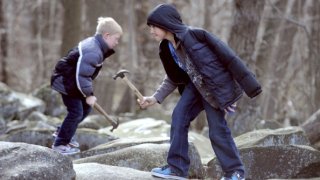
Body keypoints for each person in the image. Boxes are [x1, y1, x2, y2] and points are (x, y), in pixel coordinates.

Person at [138, 4, 262, 180]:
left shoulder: (195, 35)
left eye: (154, 26)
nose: (151, 31)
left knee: (217, 130)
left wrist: (231, 95)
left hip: (214, 89)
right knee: (179, 116)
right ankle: (177, 169)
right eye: (150, 27)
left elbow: (227, 59)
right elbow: (173, 77)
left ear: (165, 23)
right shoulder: (166, 48)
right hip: (194, 88)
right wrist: (155, 98)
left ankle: (235, 172)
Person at [50, 17, 122, 155]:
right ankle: (60, 144)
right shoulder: (93, 50)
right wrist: (89, 94)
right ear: (106, 35)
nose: (117, 42)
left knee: (86, 108)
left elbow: (84, 75)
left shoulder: (97, 46)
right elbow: (82, 75)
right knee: (76, 112)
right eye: (116, 38)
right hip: (66, 80)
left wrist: (88, 96)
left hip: (73, 81)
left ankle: (62, 131)